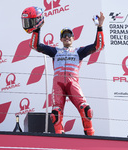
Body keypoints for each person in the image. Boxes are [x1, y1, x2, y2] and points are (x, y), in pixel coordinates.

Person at [22, 7, 105, 136]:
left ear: (73, 38)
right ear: (60, 39)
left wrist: (99, 27)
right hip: (58, 84)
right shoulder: (55, 51)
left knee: (86, 110)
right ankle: (59, 136)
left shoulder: (79, 51)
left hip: (73, 83)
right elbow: (34, 46)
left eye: (69, 35)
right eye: (64, 36)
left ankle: (90, 135)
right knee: (55, 113)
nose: (67, 37)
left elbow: (98, 46)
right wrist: (37, 28)